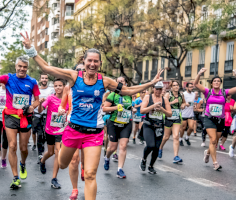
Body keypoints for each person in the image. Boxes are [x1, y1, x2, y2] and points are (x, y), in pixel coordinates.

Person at [20, 31, 164, 200]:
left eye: (96, 61)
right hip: (72, 130)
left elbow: (127, 90)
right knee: (64, 164)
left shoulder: (105, 81)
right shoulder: (74, 76)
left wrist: (151, 83)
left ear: (100, 63)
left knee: (90, 174)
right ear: (84, 61)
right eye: (90, 61)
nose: (92, 64)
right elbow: (46, 67)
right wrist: (31, 50)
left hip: (94, 133)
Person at [0, 54, 40, 189]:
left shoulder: (32, 82)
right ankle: (15, 177)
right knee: (12, 146)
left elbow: (37, 100)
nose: (22, 69)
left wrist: (32, 107)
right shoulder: (8, 78)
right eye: (20, 66)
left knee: (23, 147)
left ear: (27, 68)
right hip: (10, 116)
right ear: (16, 66)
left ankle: (22, 163)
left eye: (25, 67)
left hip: (25, 117)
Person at [194, 68, 236, 170]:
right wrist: (199, 73)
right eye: (214, 81)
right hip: (209, 119)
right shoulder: (207, 91)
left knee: (215, 142)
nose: (216, 82)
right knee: (212, 140)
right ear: (212, 83)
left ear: (220, 83)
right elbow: (195, 84)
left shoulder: (224, 92)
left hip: (220, 120)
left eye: (218, 81)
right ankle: (215, 163)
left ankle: (208, 153)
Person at [59, 63, 86, 200]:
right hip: (72, 126)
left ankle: (84, 168)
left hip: (89, 128)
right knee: (74, 159)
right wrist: (61, 110)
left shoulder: (93, 87)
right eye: (78, 70)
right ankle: (75, 189)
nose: (81, 72)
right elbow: (61, 106)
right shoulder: (68, 88)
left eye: (83, 70)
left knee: (86, 161)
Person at [39, 78, 67, 189]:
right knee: (50, 152)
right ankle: (42, 160)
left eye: (60, 85)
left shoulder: (67, 100)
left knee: (57, 152)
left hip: (61, 130)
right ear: (53, 87)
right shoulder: (51, 98)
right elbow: (41, 110)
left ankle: (54, 178)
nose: (58, 88)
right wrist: (41, 104)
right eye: (56, 86)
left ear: (64, 86)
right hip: (49, 129)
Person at [103, 76, 133, 178]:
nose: (120, 84)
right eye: (118, 82)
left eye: (122, 82)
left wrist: (132, 109)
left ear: (126, 83)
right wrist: (116, 107)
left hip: (126, 123)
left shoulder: (129, 94)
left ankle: (120, 169)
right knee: (112, 147)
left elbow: (129, 106)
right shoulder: (112, 94)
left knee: (123, 145)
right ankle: (107, 158)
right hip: (113, 123)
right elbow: (104, 108)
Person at [139, 81, 172, 174]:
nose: (158, 91)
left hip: (159, 126)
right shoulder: (147, 97)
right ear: (153, 88)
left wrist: (162, 109)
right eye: (156, 89)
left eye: (160, 89)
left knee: (157, 148)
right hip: (148, 124)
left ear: (162, 90)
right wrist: (153, 106)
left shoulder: (165, 99)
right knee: (150, 145)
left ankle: (151, 166)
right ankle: (144, 159)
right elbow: (142, 110)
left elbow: (170, 114)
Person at [158, 80, 185, 163]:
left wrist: (183, 105)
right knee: (166, 137)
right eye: (174, 85)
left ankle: (176, 156)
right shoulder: (168, 94)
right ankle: (160, 148)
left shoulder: (181, 94)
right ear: (171, 87)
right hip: (168, 117)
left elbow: (184, 103)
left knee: (176, 136)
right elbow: (163, 104)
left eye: (177, 85)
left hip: (177, 117)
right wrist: (172, 102)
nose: (176, 87)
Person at [31, 73, 54, 159]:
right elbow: (32, 102)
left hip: (47, 115)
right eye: (43, 78)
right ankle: (40, 154)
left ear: (47, 80)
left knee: (45, 135)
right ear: (40, 80)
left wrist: (48, 104)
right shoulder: (36, 90)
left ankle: (44, 150)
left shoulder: (51, 90)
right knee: (39, 134)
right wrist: (39, 102)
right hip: (37, 115)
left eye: (46, 78)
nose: (44, 80)